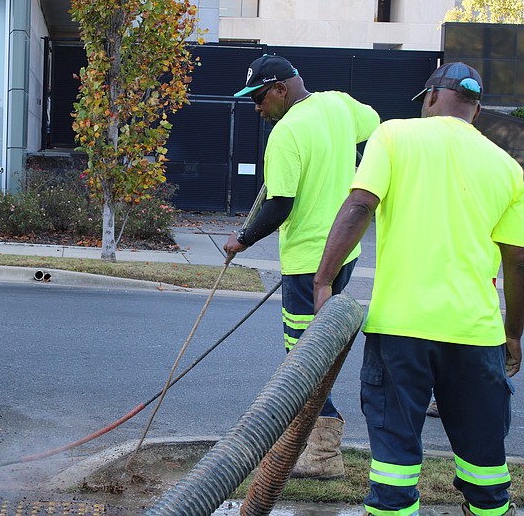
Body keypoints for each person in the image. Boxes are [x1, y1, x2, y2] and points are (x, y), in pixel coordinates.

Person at [314, 62, 524, 516]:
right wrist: (512, 335)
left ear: (430, 97)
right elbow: (518, 260)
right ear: (476, 109)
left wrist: (323, 281)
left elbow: (359, 206)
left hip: (401, 330)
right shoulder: (508, 167)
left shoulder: (394, 135)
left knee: (394, 461)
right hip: (476, 333)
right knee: (485, 463)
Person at [223, 54, 380, 479]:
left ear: (281, 89)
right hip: (344, 254)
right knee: (320, 350)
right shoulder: (339, 104)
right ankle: (313, 444)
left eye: (259, 98)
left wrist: (242, 239)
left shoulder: (286, 132)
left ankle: (324, 454)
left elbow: (279, 205)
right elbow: (375, 125)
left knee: (303, 359)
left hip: (309, 265)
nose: (257, 108)